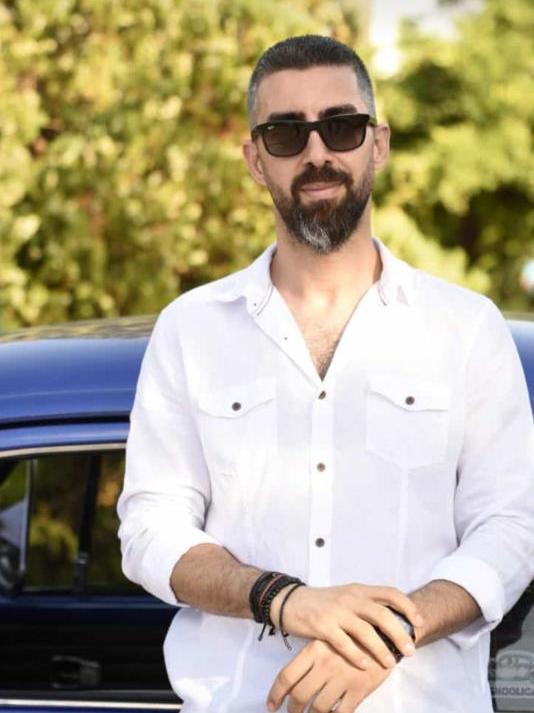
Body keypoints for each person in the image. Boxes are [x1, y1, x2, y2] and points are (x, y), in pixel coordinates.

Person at [117, 35, 534, 713]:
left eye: (341, 126)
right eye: (286, 133)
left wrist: (386, 635)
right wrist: (285, 601)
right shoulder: (190, 330)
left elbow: (513, 528)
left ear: (378, 143)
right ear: (255, 159)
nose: (317, 152)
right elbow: (150, 528)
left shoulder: (465, 328)